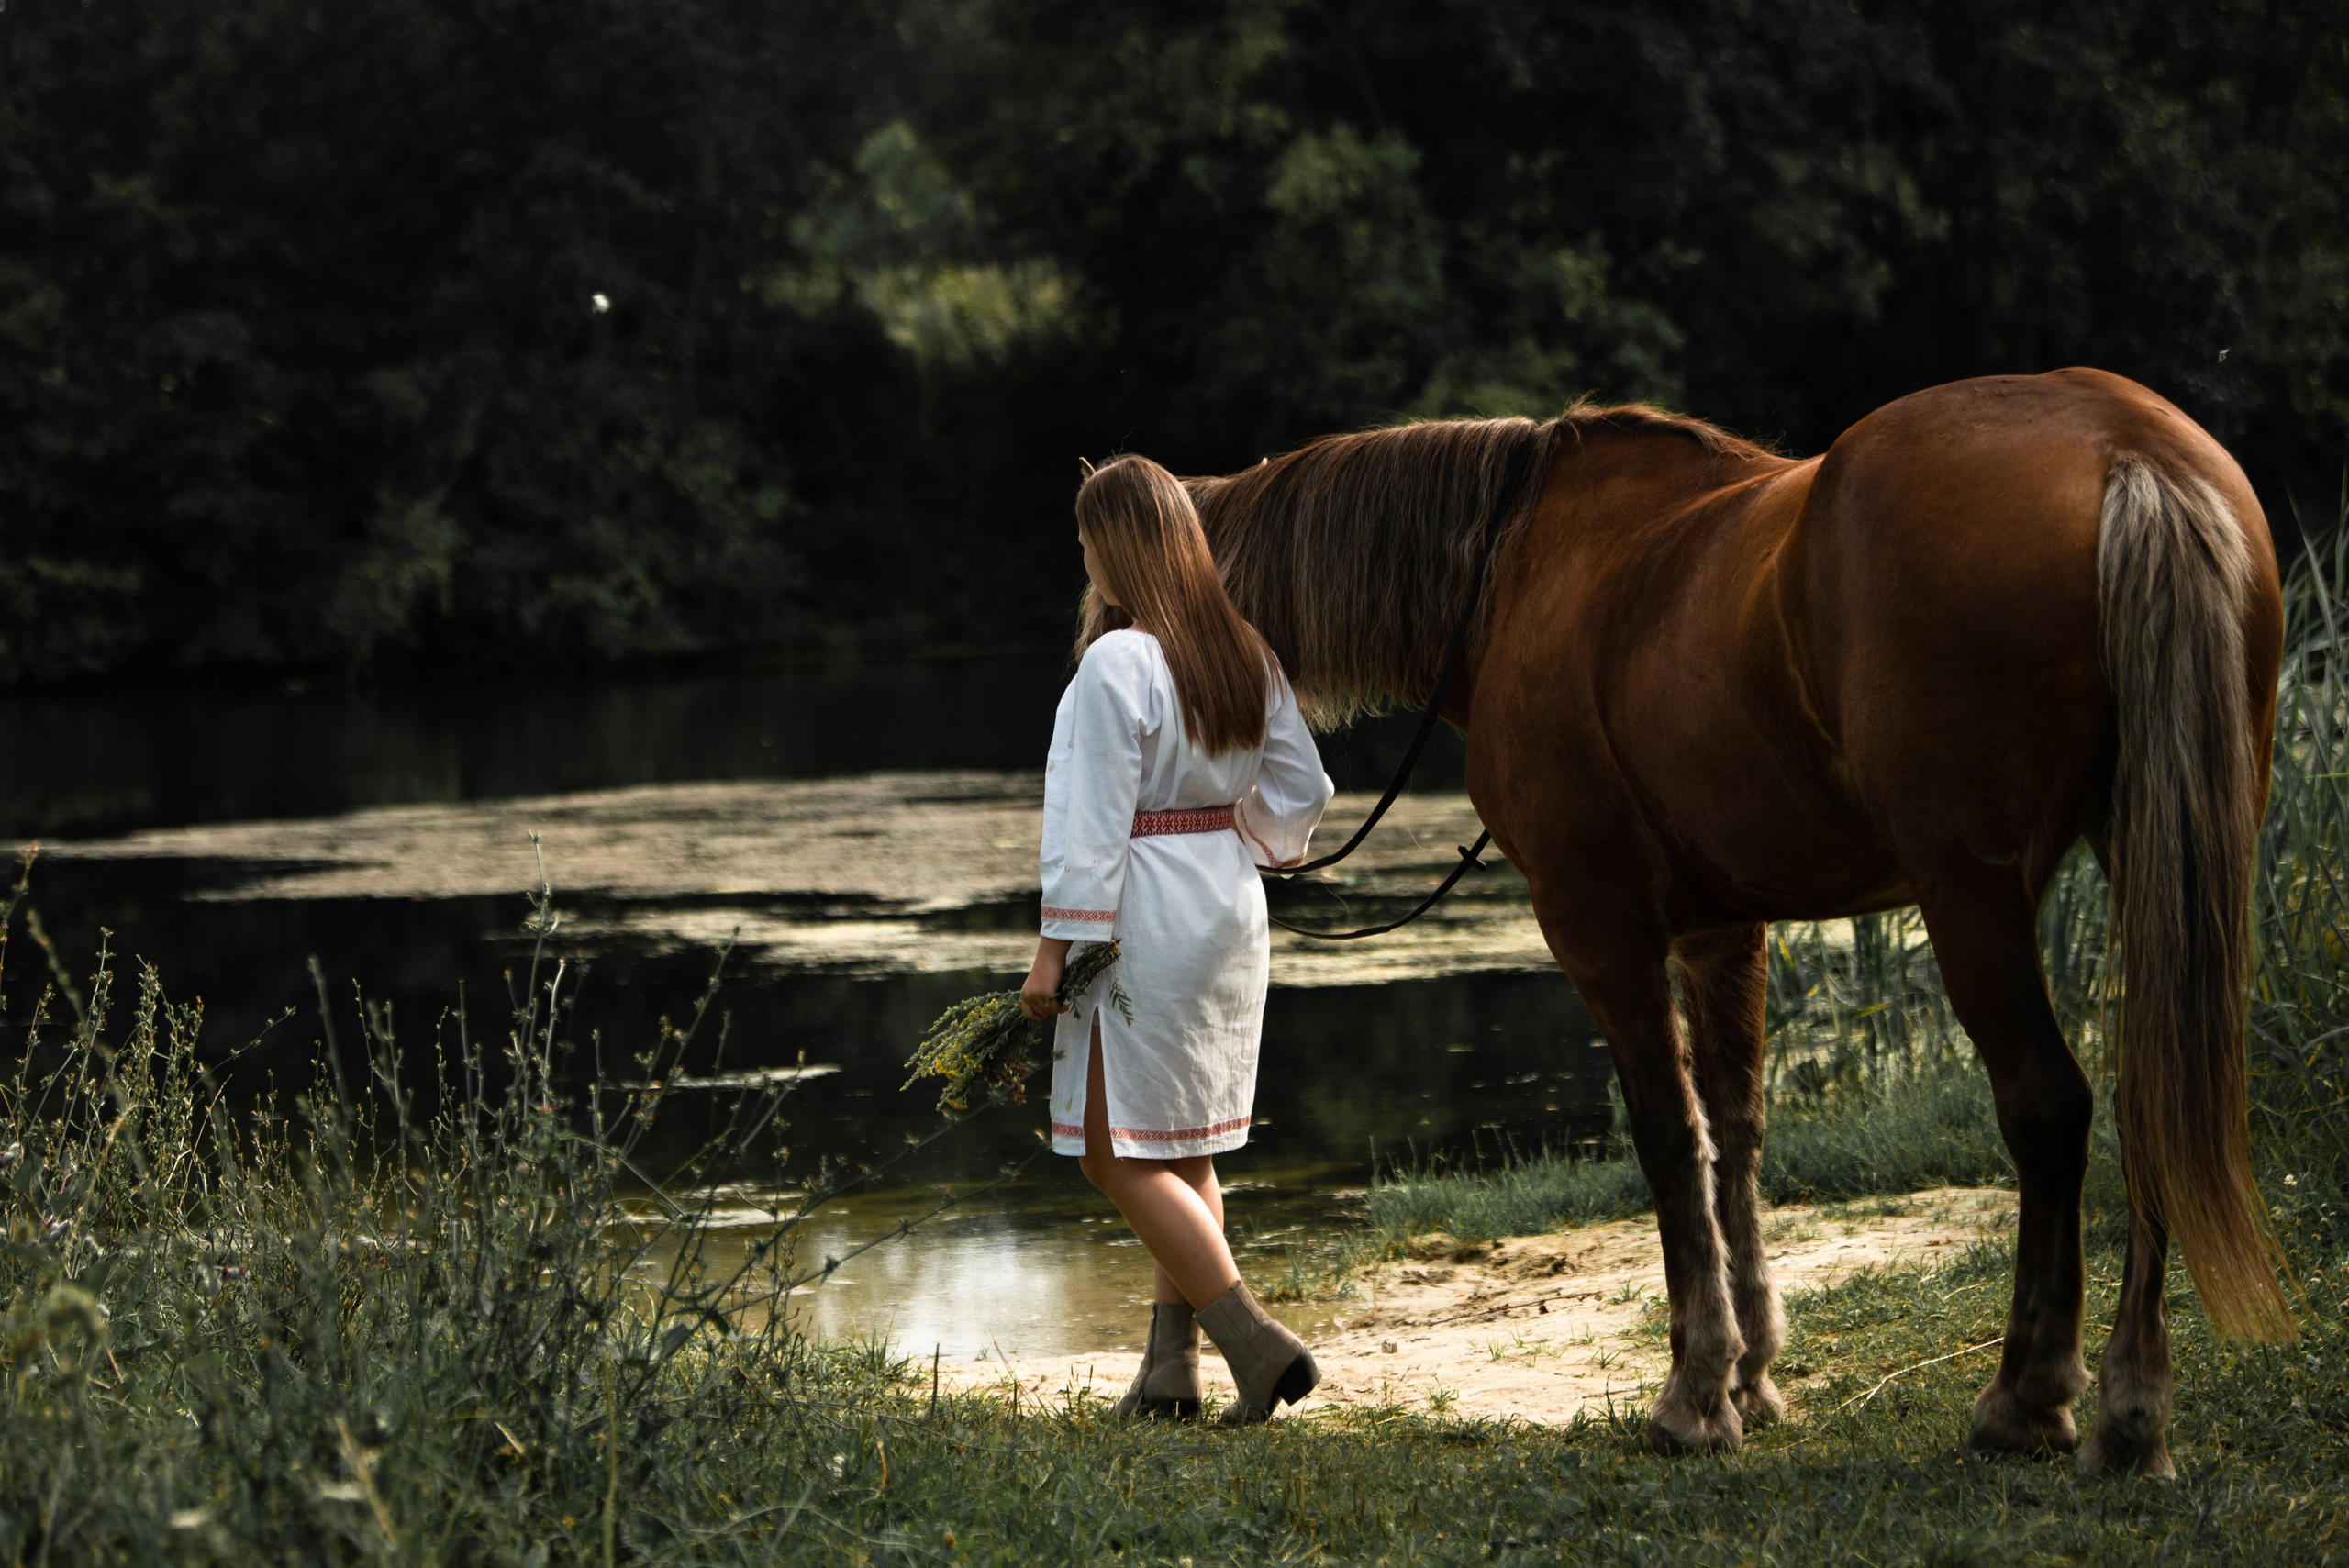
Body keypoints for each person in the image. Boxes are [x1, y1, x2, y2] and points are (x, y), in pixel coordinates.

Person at [1018, 453, 1334, 1425]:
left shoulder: (1117, 661)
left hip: (1144, 916)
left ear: (1118, 544)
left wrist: (1052, 951)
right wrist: (1239, 840)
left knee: (1113, 1151)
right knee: (1182, 1147)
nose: (1082, 556)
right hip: (1228, 911)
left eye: (1086, 539)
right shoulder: (1242, 648)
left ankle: (1251, 1340)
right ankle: (1170, 1373)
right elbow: (1303, 791)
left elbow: (1090, 822)